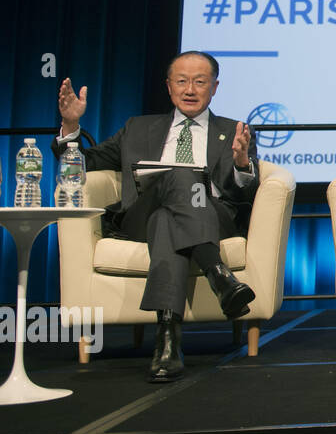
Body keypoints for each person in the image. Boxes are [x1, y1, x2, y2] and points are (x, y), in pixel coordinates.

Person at [54, 51, 259, 383]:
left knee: (166, 219)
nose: (190, 89)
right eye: (181, 81)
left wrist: (241, 165)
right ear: (168, 87)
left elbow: (243, 194)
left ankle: (167, 342)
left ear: (215, 87)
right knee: (178, 177)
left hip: (210, 218)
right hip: (139, 217)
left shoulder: (234, 131)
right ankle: (218, 274)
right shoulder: (138, 128)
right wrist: (71, 126)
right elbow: (82, 164)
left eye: (199, 81)